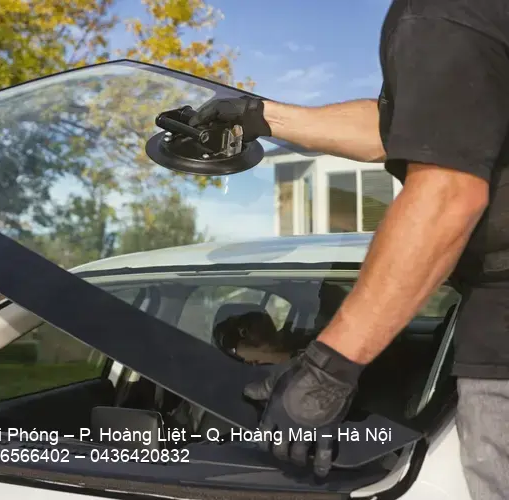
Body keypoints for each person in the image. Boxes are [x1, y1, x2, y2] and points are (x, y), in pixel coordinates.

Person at [189, 0, 509, 495]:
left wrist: (328, 370)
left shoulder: (443, 9)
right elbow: (408, 127)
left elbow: (449, 192)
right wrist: (261, 117)